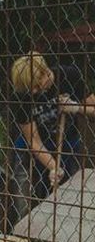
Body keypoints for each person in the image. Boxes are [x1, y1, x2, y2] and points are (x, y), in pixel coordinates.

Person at [9, 52, 95, 222]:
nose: (33, 92)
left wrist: (76, 108)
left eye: (35, 86)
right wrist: (54, 166)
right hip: (29, 152)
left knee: (68, 205)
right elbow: (33, 141)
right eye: (29, 89)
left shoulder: (69, 76)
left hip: (67, 146)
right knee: (24, 209)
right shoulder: (21, 96)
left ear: (44, 72)